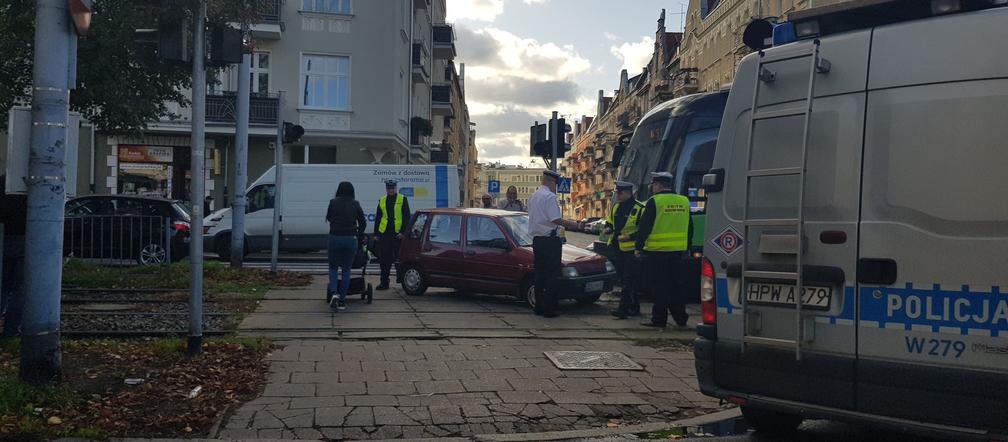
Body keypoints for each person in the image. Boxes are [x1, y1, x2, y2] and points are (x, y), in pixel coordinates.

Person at [635, 172, 692, 328]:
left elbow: (645, 227)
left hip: (657, 251)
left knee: (659, 287)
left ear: (658, 185)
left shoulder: (654, 201)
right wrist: (687, 247)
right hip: (678, 252)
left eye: (653, 185)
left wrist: (638, 247)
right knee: (677, 286)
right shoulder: (684, 201)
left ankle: (659, 319)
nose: (652, 188)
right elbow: (690, 227)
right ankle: (681, 318)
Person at [526, 170, 579, 317]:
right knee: (552, 275)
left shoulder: (533, 196)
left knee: (539, 274)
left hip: (537, 240)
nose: (556, 187)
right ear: (551, 181)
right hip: (550, 241)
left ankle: (539, 306)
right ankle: (549, 308)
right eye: (556, 184)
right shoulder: (549, 197)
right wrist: (573, 225)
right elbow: (555, 219)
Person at [326, 182, 366, 311]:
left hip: (335, 237)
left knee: (333, 267)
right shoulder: (355, 204)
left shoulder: (333, 202)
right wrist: (358, 236)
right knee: (346, 270)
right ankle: (342, 300)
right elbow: (363, 223)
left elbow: (329, 218)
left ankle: (334, 293)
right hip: (351, 238)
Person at [607, 181, 644, 319]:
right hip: (618, 249)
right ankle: (634, 307)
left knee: (628, 279)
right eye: (617, 192)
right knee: (626, 279)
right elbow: (610, 222)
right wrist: (608, 228)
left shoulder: (640, 208)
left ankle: (623, 309)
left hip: (632, 250)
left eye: (620, 193)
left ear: (629, 193)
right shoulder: (616, 207)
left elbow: (643, 230)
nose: (618, 195)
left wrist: (629, 237)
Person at [374, 179, 410, 290]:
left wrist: (403, 232)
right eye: (389, 188)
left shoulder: (402, 199)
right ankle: (384, 283)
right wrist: (376, 234)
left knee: (399, 260)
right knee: (384, 261)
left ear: (396, 188)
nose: (391, 190)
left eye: (393, 188)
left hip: (397, 235)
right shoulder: (382, 200)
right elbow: (378, 218)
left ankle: (402, 282)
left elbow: (406, 217)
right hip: (384, 234)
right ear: (386, 189)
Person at [0, 177, 26, 337]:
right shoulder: (31, 185)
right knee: (20, 287)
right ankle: (11, 329)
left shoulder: (4, 182)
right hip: (26, 237)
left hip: (4, 236)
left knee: (3, 285)